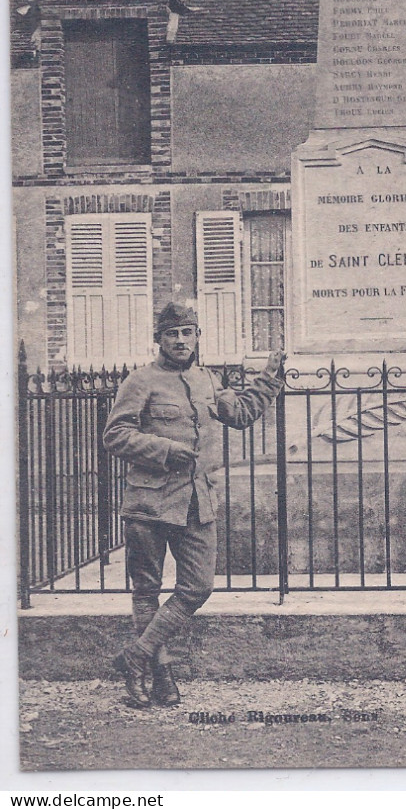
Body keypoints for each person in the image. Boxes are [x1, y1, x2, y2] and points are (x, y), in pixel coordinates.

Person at [104, 302, 285, 710]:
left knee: (197, 587)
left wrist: (270, 376)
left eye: (188, 332)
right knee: (146, 590)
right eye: (172, 334)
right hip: (148, 502)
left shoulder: (207, 380)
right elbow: (115, 435)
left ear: (198, 336)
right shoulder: (140, 381)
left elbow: (241, 413)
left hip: (195, 502)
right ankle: (160, 677)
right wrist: (165, 450)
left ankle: (135, 657)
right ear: (159, 340)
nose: (181, 340)